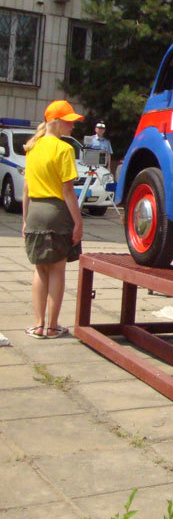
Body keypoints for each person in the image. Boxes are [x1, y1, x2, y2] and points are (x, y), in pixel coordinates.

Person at [21, 100, 85, 340]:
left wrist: (25, 220)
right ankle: (53, 325)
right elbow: (68, 191)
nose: (72, 127)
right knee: (57, 269)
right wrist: (78, 221)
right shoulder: (64, 150)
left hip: (36, 212)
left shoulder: (32, 148)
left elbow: (26, 189)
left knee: (40, 268)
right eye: (69, 122)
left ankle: (37, 325)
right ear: (56, 122)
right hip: (57, 213)